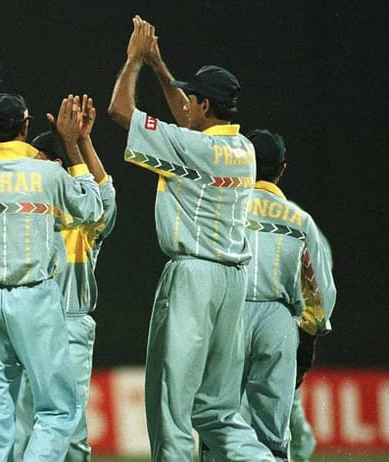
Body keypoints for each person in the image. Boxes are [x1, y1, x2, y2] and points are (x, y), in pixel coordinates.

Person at [107, 15, 274, 461]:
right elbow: (186, 117)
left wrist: (134, 60)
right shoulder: (244, 149)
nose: (187, 107)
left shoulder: (194, 148)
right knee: (218, 412)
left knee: (172, 404)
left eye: (193, 99)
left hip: (193, 278)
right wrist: (161, 68)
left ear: (202, 104)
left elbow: (120, 111)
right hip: (233, 281)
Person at [0, 93, 103, 461]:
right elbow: (91, 209)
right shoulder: (48, 174)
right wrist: (73, 147)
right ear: (25, 127)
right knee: (59, 410)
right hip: (33, 297)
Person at [14, 95, 117, 461]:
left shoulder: (85, 213)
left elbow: (105, 195)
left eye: (39, 159)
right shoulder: (25, 207)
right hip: (29, 322)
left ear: (58, 164)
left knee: (71, 434)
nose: (32, 166)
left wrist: (81, 141)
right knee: (23, 430)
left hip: (70, 323)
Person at [223, 129, 335, 461]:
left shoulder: (223, 206)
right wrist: (309, 336)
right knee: (272, 433)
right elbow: (320, 290)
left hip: (229, 314)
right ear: (282, 169)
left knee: (219, 423)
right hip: (279, 320)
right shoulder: (300, 220)